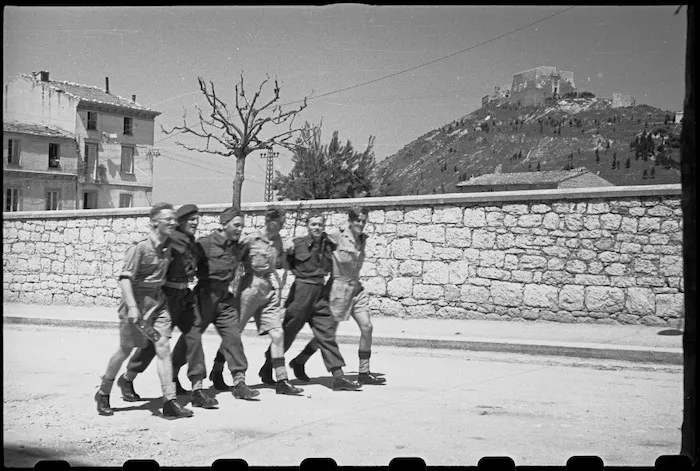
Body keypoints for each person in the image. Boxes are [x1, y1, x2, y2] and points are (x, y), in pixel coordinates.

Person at [94, 202, 193, 419]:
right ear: (154, 222)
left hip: (158, 304)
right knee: (125, 350)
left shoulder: (168, 247)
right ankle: (103, 392)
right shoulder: (139, 248)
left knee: (163, 346)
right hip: (136, 306)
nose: (173, 223)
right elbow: (124, 279)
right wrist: (131, 307)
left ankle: (170, 401)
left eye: (174, 219)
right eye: (168, 219)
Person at [116, 204, 218, 409]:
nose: (195, 222)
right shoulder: (169, 242)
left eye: (197, 219)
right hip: (166, 297)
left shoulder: (191, 242)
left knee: (194, 337)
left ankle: (198, 388)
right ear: (179, 221)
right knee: (152, 345)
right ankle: (127, 378)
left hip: (185, 295)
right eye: (190, 219)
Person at [259, 211, 362, 391]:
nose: (316, 227)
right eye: (313, 224)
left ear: (324, 226)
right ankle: (268, 367)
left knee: (326, 333)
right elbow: (280, 264)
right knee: (288, 334)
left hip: (320, 293)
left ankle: (338, 377)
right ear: (307, 225)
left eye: (320, 224)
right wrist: (286, 250)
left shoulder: (330, 243)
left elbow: (345, 240)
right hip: (301, 292)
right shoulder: (297, 244)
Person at [210, 208, 303, 396]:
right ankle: (217, 370)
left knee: (277, 333)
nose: (282, 226)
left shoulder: (277, 242)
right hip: (249, 288)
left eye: (284, 223)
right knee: (234, 333)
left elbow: (279, 263)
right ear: (270, 221)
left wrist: (289, 253)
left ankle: (282, 380)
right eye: (280, 222)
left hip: (268, 288)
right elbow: (234, 259)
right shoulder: (251, 239)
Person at [290, 207, 386, 386]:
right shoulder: (336, 235)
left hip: (356, 288)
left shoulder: (362, 239)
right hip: (337, 291)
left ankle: (364, 372)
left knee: (367, 327)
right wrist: (293, 244)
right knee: (328, 334)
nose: (361, 224)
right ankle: (300, 361)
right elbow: (316, 237)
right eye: (357, 220)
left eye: (364, 221)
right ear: (350, 220)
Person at [189, 207, 259, 400]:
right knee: (191, 341)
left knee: (233, 337)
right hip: (203, 296)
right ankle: (186, 382)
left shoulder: (238, 246)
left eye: (242, 226)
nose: (239, 229)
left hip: (224, 298)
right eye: (236, 225)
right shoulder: (204, 244)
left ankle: (239, 383)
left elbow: (251, 264)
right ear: (224, 223)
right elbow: (187, 266)